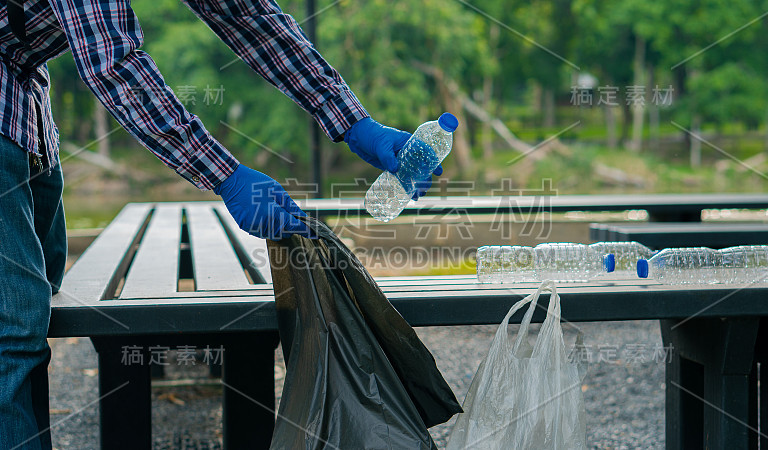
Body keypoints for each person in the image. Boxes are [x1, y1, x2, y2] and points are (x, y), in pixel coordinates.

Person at [0, 0, 442, 447]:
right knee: (14, 330)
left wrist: (355, 123)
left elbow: (255, 22)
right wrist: (227, 175)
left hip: (25, 97)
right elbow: (115, 64)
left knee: (41, 289)